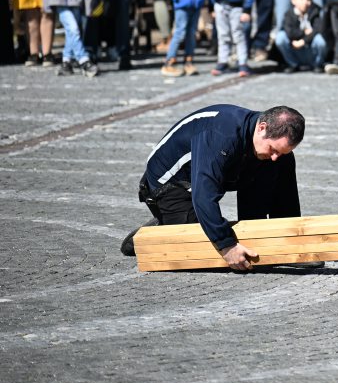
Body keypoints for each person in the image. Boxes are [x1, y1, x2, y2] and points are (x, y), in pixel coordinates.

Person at [120, 104, 309, 271]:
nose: (275, 155)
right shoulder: (221, 135)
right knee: (205, 249)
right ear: (262, 128)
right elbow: (204, 195)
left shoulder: (261, 138)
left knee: (280, 162)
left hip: (221, 174)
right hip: (169, 186)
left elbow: (282, 186)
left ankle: (278, 240)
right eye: (273, 149)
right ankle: (162, 228)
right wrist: (227, 246)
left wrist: (287, 241)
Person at [275, 0, 327, 72]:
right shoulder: (289, 14)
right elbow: (290, 33)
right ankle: (292, 64)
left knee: (320, 40)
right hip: (295, 49)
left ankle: (317, 64)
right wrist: (304, 32)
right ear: (293, 0)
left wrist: (303, 41)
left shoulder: (315, 11)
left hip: (310, 50)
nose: (306, 2)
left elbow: (318, 30)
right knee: (280, 37)